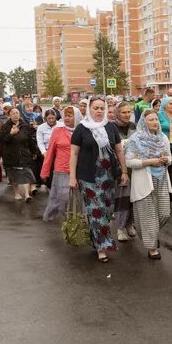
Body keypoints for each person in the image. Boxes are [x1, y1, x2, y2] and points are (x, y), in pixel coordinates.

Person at [69, 96, 127, 262]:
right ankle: (102, 247)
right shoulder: (81, 129)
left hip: (109, 177)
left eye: (102, 108)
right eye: (96, 108)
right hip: (88, 177)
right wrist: (72, 177)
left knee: (108, 210)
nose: (99, 111)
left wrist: (124, 172)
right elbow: (74, 153)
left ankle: (97, 238)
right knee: (96, 211)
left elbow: (119, 151)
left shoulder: (110, 127)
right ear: (89, 109)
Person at [124, 109, 172, 259]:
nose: (155, 122)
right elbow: (129, 161)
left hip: (162, 179)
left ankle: (147, 231)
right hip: (144, 180)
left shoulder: (163, 137)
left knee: (164, 213)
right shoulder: (135, 139)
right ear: (144, 122)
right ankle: (152, 248)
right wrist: (148, 162)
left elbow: (169, 156)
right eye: (151, 120)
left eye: (156, 119)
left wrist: (167, 160)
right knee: (148, 215)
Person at [40, 106, 76, 222]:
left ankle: (75, 219)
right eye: (65, 115)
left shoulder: (82, 130)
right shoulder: (57, 131)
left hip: (78, 169)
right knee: (62, 197)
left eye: (70, 115)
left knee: (74, 197)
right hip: (62, 169)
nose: (67, 118)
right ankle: (66, 219)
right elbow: (50, 152)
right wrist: (45, 171)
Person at [0, 107, 40, 202]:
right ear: (9, 115)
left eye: (17, 112)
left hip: (24, 153)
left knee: (26, 172)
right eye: (13, 113)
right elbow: (2, 140)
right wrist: (11, 134)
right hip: (10, 155)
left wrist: (34, 151)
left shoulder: (25, 126)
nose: (15, 114)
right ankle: (17, 193)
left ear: (20, 114)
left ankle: (26, 194)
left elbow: (30, 140)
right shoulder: (5, 126)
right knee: (14, 175)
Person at [114, 101, 138, 241]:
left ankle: (130, 224)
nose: (127, 114)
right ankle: (120, 228)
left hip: (134, 168)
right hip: (119, 169)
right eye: (124, 112)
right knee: (122, 199)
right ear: (117, 113)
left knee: (134, 198)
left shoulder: (134, 127)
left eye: (129, 112)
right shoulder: (111, 127)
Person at [158, 95, 172, 170]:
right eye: (170, 104)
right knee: (166, 168)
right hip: (163, 147)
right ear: (165, 105)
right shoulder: (159, 115)